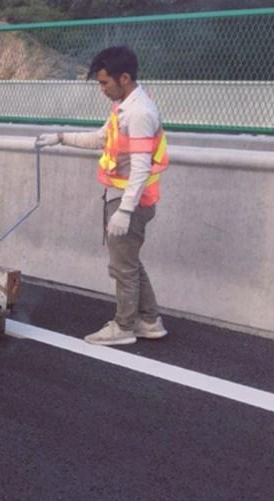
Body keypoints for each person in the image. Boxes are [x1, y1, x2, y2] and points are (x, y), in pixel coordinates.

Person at [37, 46, 170, 346]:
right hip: (125, 197)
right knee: (129, 262)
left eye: (104, 82)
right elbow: (101, 139)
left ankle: (124, 326)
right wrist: (60, 138)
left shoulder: (138, 113)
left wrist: (125, 210)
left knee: (123, 267)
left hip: (131, 200)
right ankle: (149, 320)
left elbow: (140, 167)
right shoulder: (124, 107)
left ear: (124, 78)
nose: (102, 89)